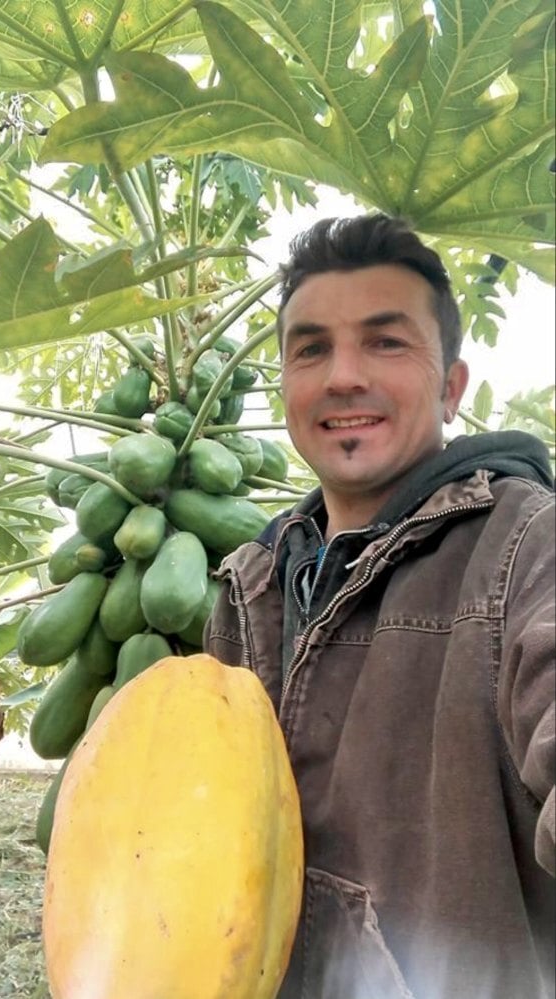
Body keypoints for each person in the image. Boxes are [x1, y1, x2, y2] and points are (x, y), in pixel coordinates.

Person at [203, 214, 555, 999]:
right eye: (311, 349)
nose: (342, 376)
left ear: (451, 386)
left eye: (386, 341)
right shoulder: (248, 584)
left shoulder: (527, 545)